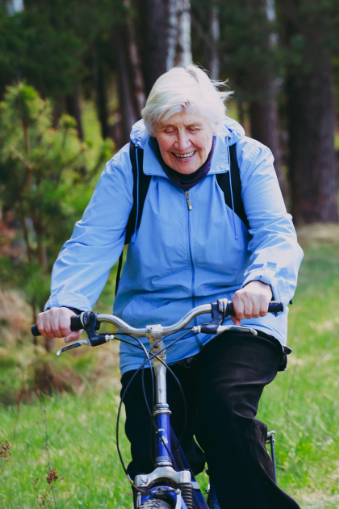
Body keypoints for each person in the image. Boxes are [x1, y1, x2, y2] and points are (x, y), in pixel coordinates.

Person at [36, 65, 303, 508]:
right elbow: (91, 242)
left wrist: (261, 280)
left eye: (193, 129)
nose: (182, 144)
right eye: (169, 130)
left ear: (214, 126)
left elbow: (276, 234)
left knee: (224, 408)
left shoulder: (247, 159)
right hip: (152, 329)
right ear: (151, 128)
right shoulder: (128, 170)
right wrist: (66, 301)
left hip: (236, 316)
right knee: (148, 444)